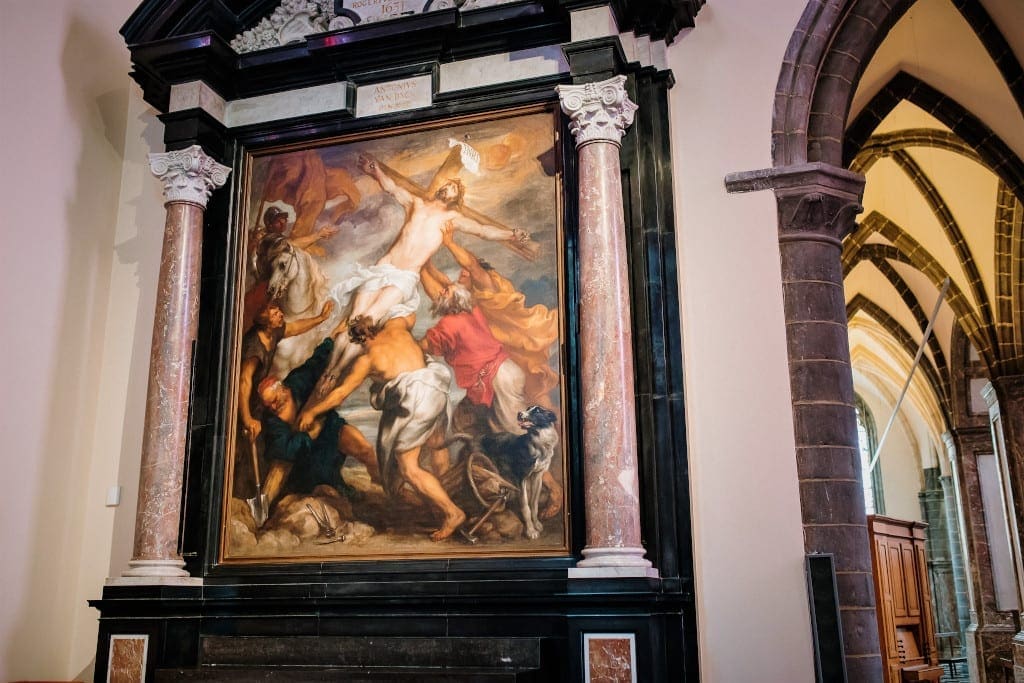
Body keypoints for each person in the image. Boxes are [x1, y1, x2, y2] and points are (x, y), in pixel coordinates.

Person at [306, 154, 536, 402]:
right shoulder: (415, 203)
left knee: (367, 322)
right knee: (353, 320)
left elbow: (483, 231)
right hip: (385, 266)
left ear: (456, 198)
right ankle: (328, 371)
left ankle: (336, 373)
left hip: (404, 276)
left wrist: (510, 234)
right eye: (446, 185)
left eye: (453, 188)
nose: (448, 188)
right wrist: (376, 172)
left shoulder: (451, 220)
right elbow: (393, 189)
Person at [297, 314, 466, 542]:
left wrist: (312, 411)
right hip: (435, 387)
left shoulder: (367, 359)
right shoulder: (396, 325)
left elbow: (339, 394)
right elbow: (412, 314)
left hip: (417, 400)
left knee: (408, 468)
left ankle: (452, 512)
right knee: (435, 445)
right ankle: (438, 503)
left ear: (358, 341)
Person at [420, 255, 564, 519]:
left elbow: (423, 347)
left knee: (519, 436)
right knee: (470, 426)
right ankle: (494, 487)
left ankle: (554, 489)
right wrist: (424, 265)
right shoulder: (470, 309)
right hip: (503, 374)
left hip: (498, 380)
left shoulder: (446, 326)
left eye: (446, 290)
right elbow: (442, 289)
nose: (444, 288)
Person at [256, 325, 379, 510]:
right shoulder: (273, 421)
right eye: (269, 405)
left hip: (327, 428)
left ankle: (385, 485)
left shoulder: (296, 381)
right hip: (303, 458)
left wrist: (331, 340)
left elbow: (316, 363)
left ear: (281, 388)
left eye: (275, 400)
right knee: (323, 486)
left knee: (365, 448)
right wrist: (309, 435)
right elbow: (285, 451)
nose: (273, 407)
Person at [439, 226, 559, 408]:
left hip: (525, 332)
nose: (461, 272)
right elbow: (445, 284)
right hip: (512, 345)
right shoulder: (472, 294)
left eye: (464, 269)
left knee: (535, 388)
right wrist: (424, 266)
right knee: (532, 390)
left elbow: (471, 265)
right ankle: (549, 427)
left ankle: (554, 424)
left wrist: (449, 242)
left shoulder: (487, 283)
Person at [238, 300, 335, 440]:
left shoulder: (272, 332)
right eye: (275, 314)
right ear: (267, 324)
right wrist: (247, 418)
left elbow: (295, 328)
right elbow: (244, 381)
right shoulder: (254, 347)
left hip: (261, 398)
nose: (281, 315)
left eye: (279, 311)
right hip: (244, 401)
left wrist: (321, 318)